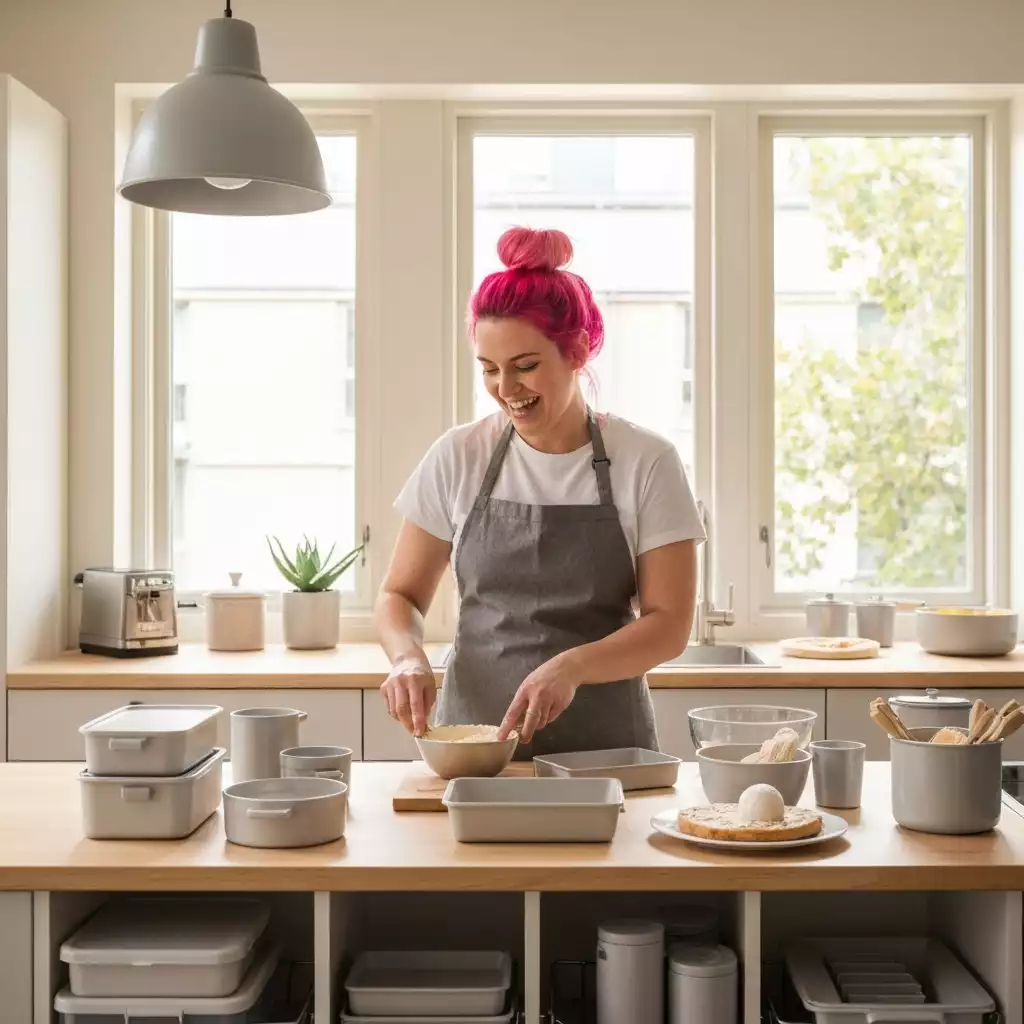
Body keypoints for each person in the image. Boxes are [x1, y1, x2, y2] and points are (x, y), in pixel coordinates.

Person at [374, 226, 705, 758]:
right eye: (489, 369)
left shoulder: (647, 461)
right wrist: (406, 657)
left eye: (525, 367)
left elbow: (669, 626)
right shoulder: (459, 456)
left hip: (605, 756)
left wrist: (572, 667)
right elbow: (400, 597)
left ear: (577, 352)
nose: (506, 390)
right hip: (477, 751)